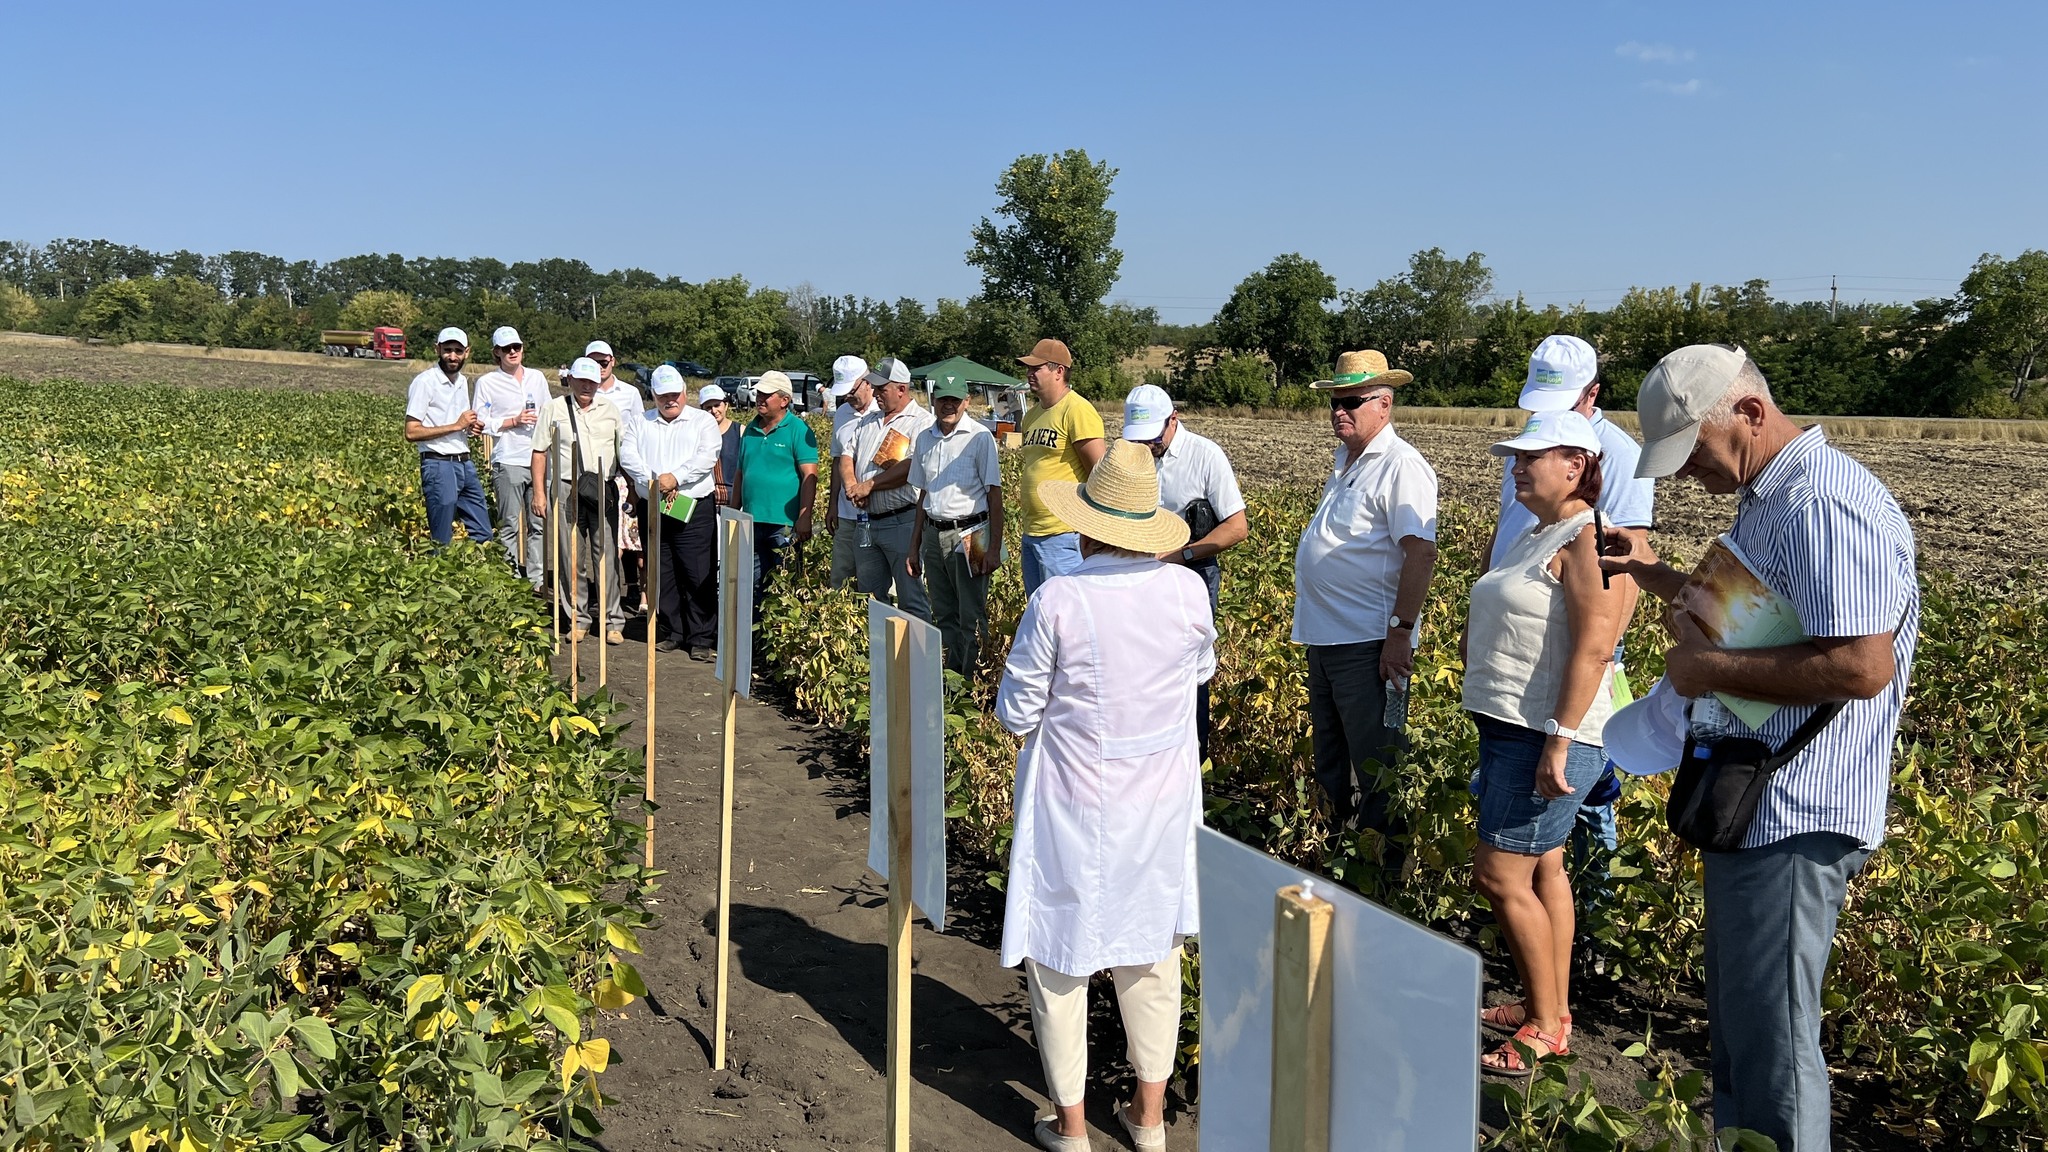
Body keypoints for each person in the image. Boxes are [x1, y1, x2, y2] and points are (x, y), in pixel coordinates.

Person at [1602, 345, 1918, 1151]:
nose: (1687, 474)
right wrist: (1658, 576)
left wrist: (1703, 667)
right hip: (1758, 807)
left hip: (1795, 811)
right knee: (1747, 1027)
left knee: (1775, 1042)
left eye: (1695, 452)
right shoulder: (1771, 499)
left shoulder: (1822, 501)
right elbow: (1759, 621)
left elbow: (1861, 664)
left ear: (1747, 412)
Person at [995, 440, 1212, 1152]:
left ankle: (1072, 1124)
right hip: (1159, 802)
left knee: (1061, 956)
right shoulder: (1185, 591)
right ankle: (1148, 1119)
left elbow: (1018, 711)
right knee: (1152, 954)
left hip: (1074, 801)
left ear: (1087, 527)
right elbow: (1199, 670)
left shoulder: (1059, 598)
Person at [1459, 410, 1635, 1076]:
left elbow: (1594, 647)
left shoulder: (1587, 538)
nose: (1518, 466)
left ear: (1578, 466)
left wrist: (1560, 743)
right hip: (1518, 728)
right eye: (1516, 456)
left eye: (1534, 455)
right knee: (1545, 868)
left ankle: (1541, 1025)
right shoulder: (1541, 532)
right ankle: (1550, 1007)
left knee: (1499, 876)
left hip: (1546, 736)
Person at [1484, 335, 1655, 945]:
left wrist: (1582, 688)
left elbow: (1617, 583)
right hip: (1519, 646)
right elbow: (1505, 537)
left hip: (1568, 654)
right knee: (1543, 847)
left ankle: (1596, 929)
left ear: (1593, 394)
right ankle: (1550, 964)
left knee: (1583, 802)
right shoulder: (1535, 450)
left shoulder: (1620, 458)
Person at [1291, 350, 1439, 846]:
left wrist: (1399, 634)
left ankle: (1384, 875)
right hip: (1326, 638)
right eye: (1334, 402)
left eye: (1351, 401)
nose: (1340, 411)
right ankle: (1337, 853)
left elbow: (1420, 554)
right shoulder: (1348, 462)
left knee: (1377, 765)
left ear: (1384, 404)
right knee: (1332, 758)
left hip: (1369, 644)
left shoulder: (1401, 466)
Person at [1123, 383, 1247, 762]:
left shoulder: (1205, 456)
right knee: (1141, 665)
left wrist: (1180, 554)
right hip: (1139, 573)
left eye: (1153, 437)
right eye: (1138, 438)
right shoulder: (1130, 454)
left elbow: (1237, 527)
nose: (1147, 446)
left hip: (1192, 574)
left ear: (1173, 419)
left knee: (1190, 670)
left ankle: (1193, 756)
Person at [621, 365, 721, 658]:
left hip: (692, 506)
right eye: (663, 395)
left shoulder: (702, 421)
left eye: (675, 394)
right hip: (655, 504)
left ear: (684, 392)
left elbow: (707, 455)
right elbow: (628, 454)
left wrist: (676, 477)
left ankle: (701, 637)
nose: (670, 400)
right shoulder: (642, 421)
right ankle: (673, 630)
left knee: (697, 571)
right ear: (653, 394)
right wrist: (656, 480)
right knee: (661, 570)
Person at [906, 375, 1004, 674]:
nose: (948, 405)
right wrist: (915, 546)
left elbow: (994, 494)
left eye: (954, 400)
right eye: (942, 399)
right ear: (933, 402)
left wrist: (994, 549)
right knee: (944, 611)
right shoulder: (925, 438)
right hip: (934, 532)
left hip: (973, 532)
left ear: (967, 402)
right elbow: (924, 494)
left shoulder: (979, 437)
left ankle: (973, 681)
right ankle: (950, 678)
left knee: (972, 614)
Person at [530, 356, 627, 644]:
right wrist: (539, 493)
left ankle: (612, 620)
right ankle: (578, 618)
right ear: (569, 380)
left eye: (592, 381)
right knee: (570, 556)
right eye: (581, 380)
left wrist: (629, 490)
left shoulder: (610, 410)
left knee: (606, 554)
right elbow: (539, 451)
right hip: (565, 488)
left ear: (599, 383)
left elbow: (623, 453)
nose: (587, 386)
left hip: (602, 489)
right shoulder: (554, 409)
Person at [842, 358, 935, 616]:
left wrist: (869, 486)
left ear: (901, 389)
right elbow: (847, 455)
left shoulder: (921, 422)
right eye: (875, 388)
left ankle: (918, 655)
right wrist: (852, 485)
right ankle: (878, 654)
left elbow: (911, 467)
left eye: (882, 389)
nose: (876, 394)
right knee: (869, 598)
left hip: (902, 522)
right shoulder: (868, 420)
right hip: (867, 522)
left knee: (911, 597)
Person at [1015, 338, 1106, 594]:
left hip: (1064, 533)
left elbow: (1099, 472)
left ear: (1059, 371)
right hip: (1033, 532)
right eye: (1029, 368)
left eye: (1036, 368)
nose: (1029, 373)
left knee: (1066, 614)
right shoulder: (1031, 416)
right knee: (1040, 611)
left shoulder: (1077, 410)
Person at [732, 370, 819, 612]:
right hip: (751, 521)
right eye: (759, 393)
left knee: (784, 588)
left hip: (784, 525)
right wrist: (733, 511)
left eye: (766, 395)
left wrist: (804, 516)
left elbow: (809, 477)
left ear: (784, 400)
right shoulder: (750, 429)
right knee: (754, 587)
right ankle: (755, 644)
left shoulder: (798, 430)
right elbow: (740, 473)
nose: (760, 398)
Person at [470, 325, 551, 587]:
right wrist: (512, 421)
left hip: (537, 458)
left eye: (516, 347)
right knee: (509, 524)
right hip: (508, 459)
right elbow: (480, 420)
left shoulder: (537, 378)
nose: (513, 352)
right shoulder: (487, 382)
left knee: (538, 523)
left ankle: (537, 580)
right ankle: (511, 577)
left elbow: (549, 411)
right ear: (497, 352)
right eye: (507, 349)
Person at [403, 326, 492, 547]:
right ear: (437, 349)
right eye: (447, 350)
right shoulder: (425, 382)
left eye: (458, 351)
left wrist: (469, 428)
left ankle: (472, 577)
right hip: (438, 463)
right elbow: (411, 431)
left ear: (467, 352)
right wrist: (456, 425)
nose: (452, 356)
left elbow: (459, 423)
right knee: (441, 539)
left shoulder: (461, 381)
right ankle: (438, 579)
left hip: (464, 463)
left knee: (483, 533)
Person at [585, 339, 645, 611]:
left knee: (630, 532)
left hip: (625, 472)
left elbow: (640, 431)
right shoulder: (584, 393)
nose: (599, 367)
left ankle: (633, 589)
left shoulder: (629, 393)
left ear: (613, 361)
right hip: (596, 474)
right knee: (605, 533)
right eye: (593, 362)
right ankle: (605, 591)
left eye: (603, 362)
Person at [826, 355, 876, 588]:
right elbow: (838, 461)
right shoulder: (843, 414)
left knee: (873, 581)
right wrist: (832, 504)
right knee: (841, 577)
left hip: (878, 513)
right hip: (847, 514)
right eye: (843, 392)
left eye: (851, 390)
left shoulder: (884, 411)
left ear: (867, 382)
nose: (847, 397)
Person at [700, 383, 742, 507]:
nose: (714, 411)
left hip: (734, 500)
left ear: (726, 405)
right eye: (708, 407)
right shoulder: (696, 433)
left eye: (717, 405)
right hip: (706, 501)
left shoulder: (740, 431)